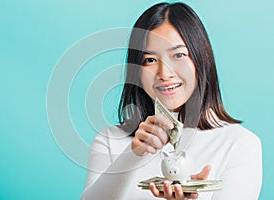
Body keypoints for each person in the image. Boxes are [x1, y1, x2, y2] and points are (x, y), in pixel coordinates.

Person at [81, 2, 262, 200]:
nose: (164, 73)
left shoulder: (240, 144)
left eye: (178, 55)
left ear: (200, 60)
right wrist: (132, 154)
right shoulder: (110, 141)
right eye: (150, 60)